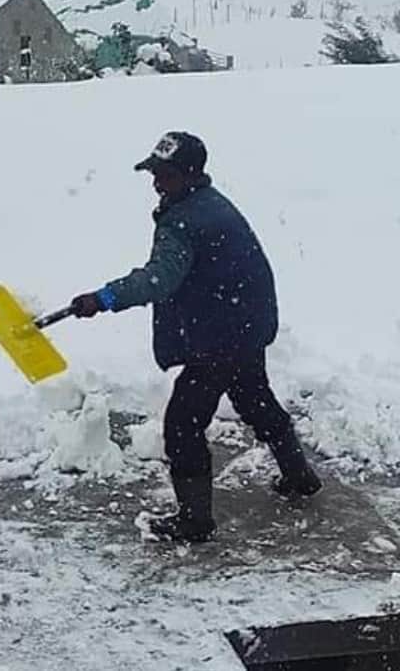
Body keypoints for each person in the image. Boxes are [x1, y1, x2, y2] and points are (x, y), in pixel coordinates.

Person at [69, 131, 321, 544]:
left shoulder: (184, 220)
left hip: (221, 336)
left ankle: (195, 521)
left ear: (188, 174)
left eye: (164, 175)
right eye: (153, 173)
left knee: (183, 425)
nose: (155, 183)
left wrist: (103, 298)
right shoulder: (210, 204)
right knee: (254, 400)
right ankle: (300, 477)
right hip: (247, 323)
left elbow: (159, 279)